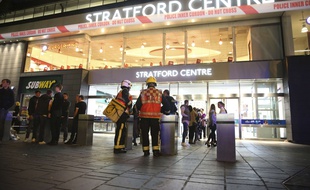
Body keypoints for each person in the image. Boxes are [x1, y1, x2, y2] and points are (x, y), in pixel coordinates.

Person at [136, 76, 170, 157]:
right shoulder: (159, 93)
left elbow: (138, 105)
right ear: (155, 84)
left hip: (144, 117)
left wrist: (142, 109)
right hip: (155, 118)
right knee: (155, 134)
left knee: (144, 134)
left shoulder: (143, 93)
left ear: (147, 84)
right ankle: (155, 151)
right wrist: (162, 110)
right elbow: (167, 105)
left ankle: (146, 151)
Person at [113, 80, 133, 154]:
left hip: (121, 113)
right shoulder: (125, 91)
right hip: (122, 114)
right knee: (120, 130)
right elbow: (127, 101)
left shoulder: (120, 92)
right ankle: (117, 147)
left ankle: (120, 146)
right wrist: (130, 104)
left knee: (122, 130)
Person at [0, 79, 15, 143]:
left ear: (8, 84)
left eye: (4, 82)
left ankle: (0, 138)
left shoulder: (10, 92)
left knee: (1, 123)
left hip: (3, 109)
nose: (2, 83)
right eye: (2, 82)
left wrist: (5, 107)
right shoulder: (0, 91)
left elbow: (12, 101)